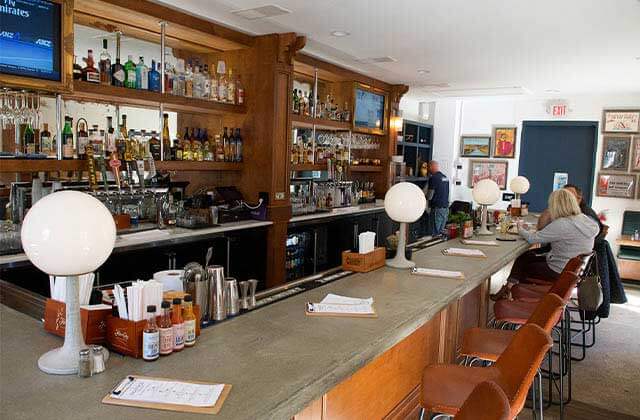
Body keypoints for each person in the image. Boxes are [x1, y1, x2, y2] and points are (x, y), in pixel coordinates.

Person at [492, 189, 599, 300]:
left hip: (558, 271)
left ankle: (522, 298)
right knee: (525, 256)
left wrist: (520, 229)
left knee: (524, 268)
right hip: (571, 271)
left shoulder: (563, 224)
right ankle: (508, 290)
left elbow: (533, 239)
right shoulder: (586, 220)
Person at [537, 184, 607, 241]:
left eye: (569, 196)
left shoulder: (586, 215)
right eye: (563, 196)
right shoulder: (567, 211)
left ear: (579, 198)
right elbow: (541, 228)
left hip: (572, 255)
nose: (565, 199)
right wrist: (552, 206)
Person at [425, 160, 450, 235]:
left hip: (437, 208)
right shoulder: (445, 177)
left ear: (431, 167)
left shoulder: (434, 178)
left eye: (428, 167)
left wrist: (423, 197)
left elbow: (430, 196)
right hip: (445, 208)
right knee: (440, 232)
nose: (428, 169)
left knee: (434, 232)